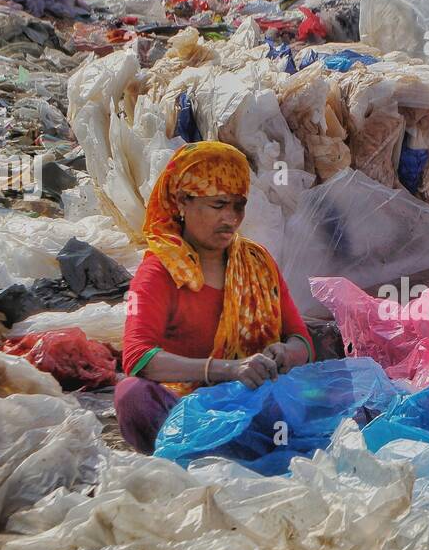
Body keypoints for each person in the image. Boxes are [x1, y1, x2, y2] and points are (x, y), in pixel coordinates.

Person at [115, 141, 314, 454]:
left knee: (323, 394)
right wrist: (226, 370)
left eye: (239, 206)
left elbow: (301, 339)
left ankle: (248, 451)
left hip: (252, 404)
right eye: (218, 205)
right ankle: (196, 453)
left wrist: (285, 353)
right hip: (188, 409)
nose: (231, 219)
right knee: (132, 396)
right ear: (182, 201)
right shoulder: (160, 271)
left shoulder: (257, 263)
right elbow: (138, 358)